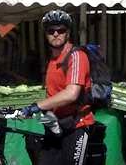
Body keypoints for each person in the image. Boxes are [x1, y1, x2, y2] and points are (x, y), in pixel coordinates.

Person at [22, 10, 94, 164]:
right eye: (51, 31)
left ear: (68, 33)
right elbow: (52, 94)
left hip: (76, 126)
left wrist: (37, 106)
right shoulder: (53, 60)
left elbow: (71, 94)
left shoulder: (76, 56)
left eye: (61, 30)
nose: (56, 34)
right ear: (46, 34)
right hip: (54, 124)